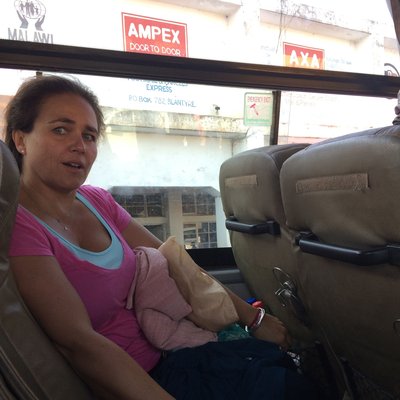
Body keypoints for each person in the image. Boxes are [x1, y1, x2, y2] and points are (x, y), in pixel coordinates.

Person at [5, 75, 315, 399]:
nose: (79, 146)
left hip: (176, 352)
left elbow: (178, 266)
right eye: (60, 130)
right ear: (21, 139)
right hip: (139, 382)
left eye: (89, 135)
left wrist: (254, 318)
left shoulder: (97, 201)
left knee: (283, 372)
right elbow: (77, 343)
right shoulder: (19, 226)